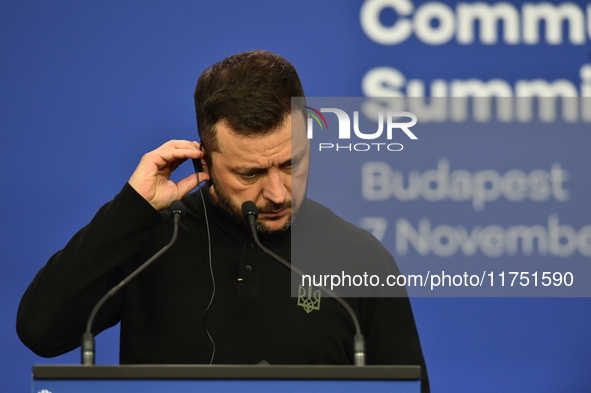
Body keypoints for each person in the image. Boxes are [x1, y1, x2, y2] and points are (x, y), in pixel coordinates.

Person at [17, 50, 429, 391]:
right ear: (205, 161)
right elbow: (41, 332)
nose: (277, 193)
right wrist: (130, 209)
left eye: (292, 163)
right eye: (250, 174)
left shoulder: (360, 257)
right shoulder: (150, 237)